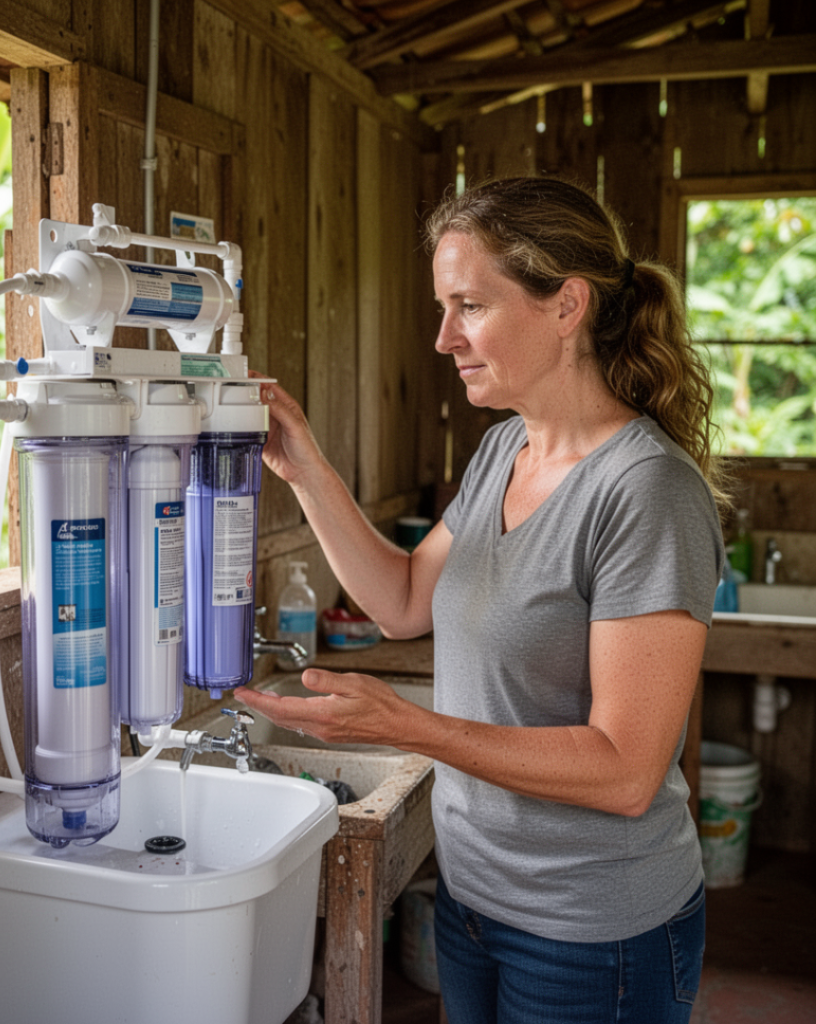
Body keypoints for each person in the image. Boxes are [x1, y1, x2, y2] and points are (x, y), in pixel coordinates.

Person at [234, 176, 726, 1024]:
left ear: (566, 305)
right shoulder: (503, 451)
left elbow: (626, 772)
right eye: (444, 307)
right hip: (472, 902)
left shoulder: (646, 492)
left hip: (592, 933)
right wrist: (304, 467)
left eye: (470, 305)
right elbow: (402, 601)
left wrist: (409, 726)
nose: (443, 337)